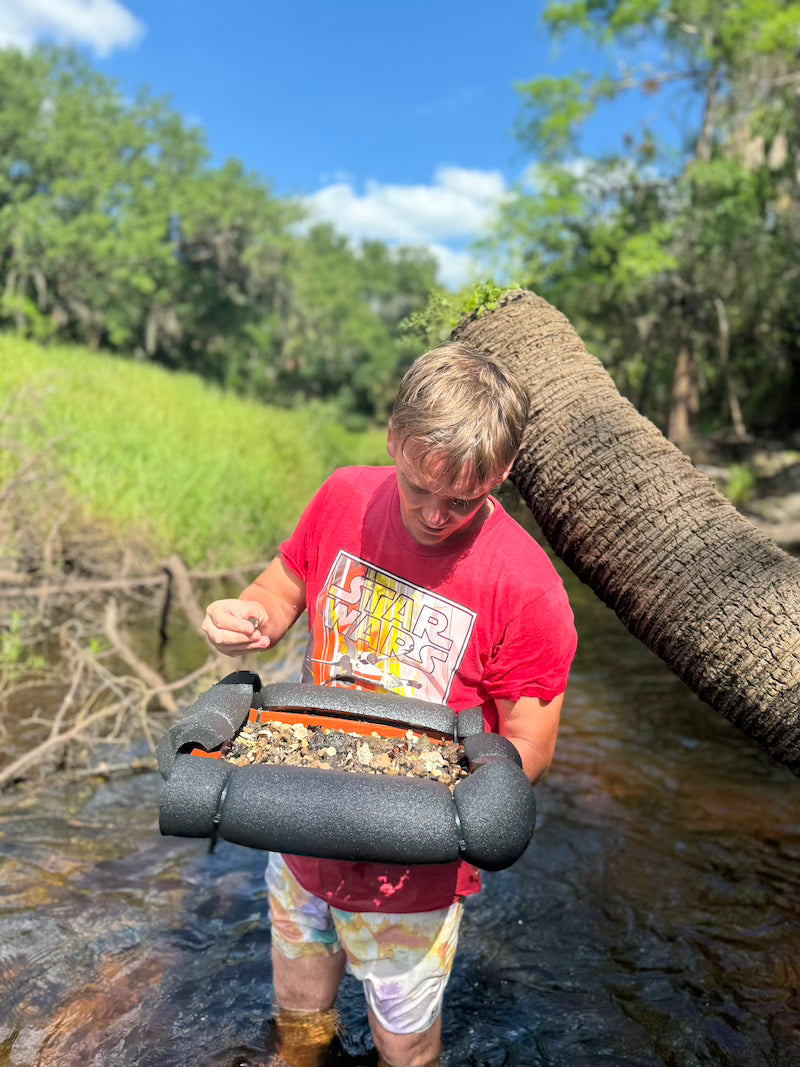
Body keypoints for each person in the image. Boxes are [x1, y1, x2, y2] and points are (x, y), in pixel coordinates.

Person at [201, 342, 577, 1067]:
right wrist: (253, 614)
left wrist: (453, 807)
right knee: (299, 1015)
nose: (437, 515)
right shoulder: (344, 495)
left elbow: (530, 744)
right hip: (300, 825)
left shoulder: (527, 585)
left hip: (414, 873)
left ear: (501, 473)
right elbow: (284, 582)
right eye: (419, 488)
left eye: (463, 499)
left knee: (403, 1045)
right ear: (394, 440)